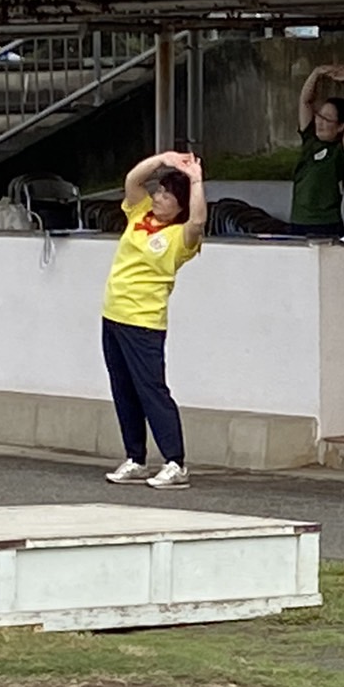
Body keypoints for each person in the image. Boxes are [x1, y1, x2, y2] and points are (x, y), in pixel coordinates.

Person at [101, 151, 207, 490]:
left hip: (144, 320)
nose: (159, 198)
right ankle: (136, 457)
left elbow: (198, 223)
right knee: (123, 389)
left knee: (152, 390)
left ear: (180, 206)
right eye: (160, 191)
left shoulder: (180, 237)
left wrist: (195, 181)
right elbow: (132, 180)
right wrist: (164, 159)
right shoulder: (140, 213)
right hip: (113, 314)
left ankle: (175, 461)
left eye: (168, 196)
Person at [290, 64, 344, 238]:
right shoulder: (310, 140)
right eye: (319, 116)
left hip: (326, 223)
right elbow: (305, 101)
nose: (320, 123)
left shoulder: (341, 152)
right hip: (298, 221)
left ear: (340, 126)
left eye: (327, 119)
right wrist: (316, 73)